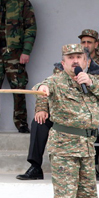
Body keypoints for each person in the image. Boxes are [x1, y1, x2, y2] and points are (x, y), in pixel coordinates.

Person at [16, 29, 99, 181]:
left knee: (95, 124)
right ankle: (35, 166)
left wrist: (90, 83)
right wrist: (41, 108)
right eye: (83, 42)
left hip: (86, 117)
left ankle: (90, 166)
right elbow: (46, 85)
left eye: (89, 42)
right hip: (61, 114)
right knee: (38, 122)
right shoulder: (62, 69)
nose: (86, 45)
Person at [32, 44, 99, 198]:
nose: (75, 61)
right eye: (70, 58)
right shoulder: (56, 81)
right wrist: (42, 101)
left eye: (79, 57)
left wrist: (91, 83)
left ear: (87, 62)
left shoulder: (92, 81)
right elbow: (42, 87)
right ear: (63, 64)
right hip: (65, 148)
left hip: (87, 148)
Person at [0, 0, 36, 133]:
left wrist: (26, 51)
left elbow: (30, 27)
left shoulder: (22, 2)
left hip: (14, 53)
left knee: (19, 87)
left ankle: (21, 123)